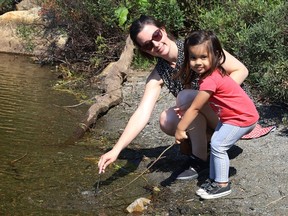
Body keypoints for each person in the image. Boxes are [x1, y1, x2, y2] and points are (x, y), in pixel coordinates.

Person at [98, 15, 249, 180]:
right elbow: (142, 112)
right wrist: (116, 149)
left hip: (233, 114)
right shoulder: (160, 72)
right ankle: (207, 149)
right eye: (148, 45)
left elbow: (241, 70)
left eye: (156, 36)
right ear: (144, 50)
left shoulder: (195, 47)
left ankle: (200, 158)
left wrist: (211, 95)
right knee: (167, 119)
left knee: (185, 98)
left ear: (162, 30)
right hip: (208, 115)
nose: (155, 44)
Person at [175, 30, 259, 199]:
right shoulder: (212, 73)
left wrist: (180, 128)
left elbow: (195, 108)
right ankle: (214, 179)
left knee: (219, 146)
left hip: (242, 118)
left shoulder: (210, 79)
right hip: (232, 116)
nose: (198, 62)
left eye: (203, 57)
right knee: (215, 143)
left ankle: (222, 185)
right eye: (193, 58)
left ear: (216, 55)